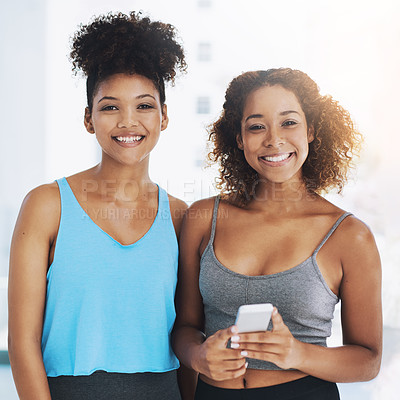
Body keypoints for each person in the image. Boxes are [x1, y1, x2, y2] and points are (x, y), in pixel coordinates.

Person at [8, 11, 189, 400]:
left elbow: (188, 335)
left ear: (164, 117)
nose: (128, 122)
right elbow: (22, 344)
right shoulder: (46, 205)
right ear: (89, 119)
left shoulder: (180, 216)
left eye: (144, 106)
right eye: (110, 107)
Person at [172, 68, 382, 400]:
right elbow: (184, 327)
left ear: (311, 130)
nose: (274, 140)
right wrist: (199, 357)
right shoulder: (202, 218)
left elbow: (368, 361)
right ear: (239, 139)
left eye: (289, 122)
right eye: (257, 126)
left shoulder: (348, 235)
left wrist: (296, 354)